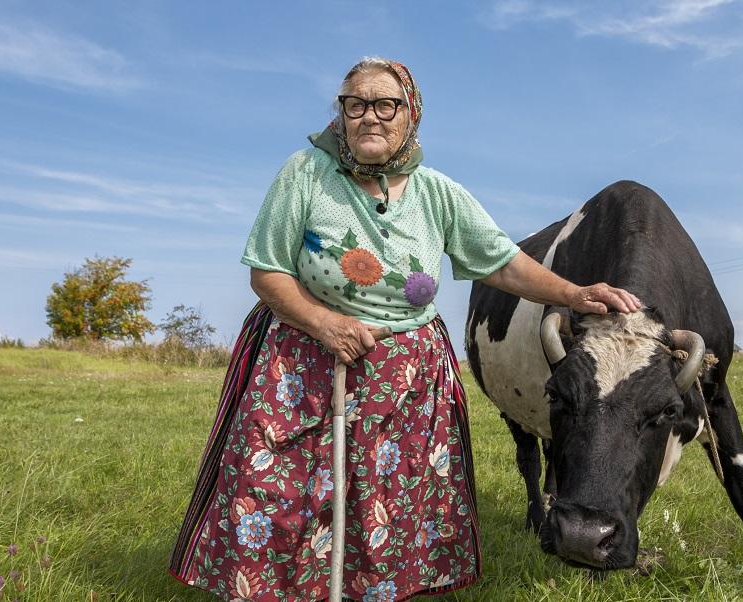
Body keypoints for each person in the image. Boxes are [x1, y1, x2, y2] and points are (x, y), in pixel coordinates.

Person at [168, 57, 641, 601]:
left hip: (407, 376)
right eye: (355, 104)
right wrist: (324, 322)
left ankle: (377, 591)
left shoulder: (436, 192)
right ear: (341, 114)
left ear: (410, 115)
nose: (370, 116)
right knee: (280, 492)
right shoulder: (304, 174)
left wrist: (574, 293)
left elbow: (503, 263)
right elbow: (267, 270)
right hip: (301, 362)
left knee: (389, 501)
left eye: (385, 104)